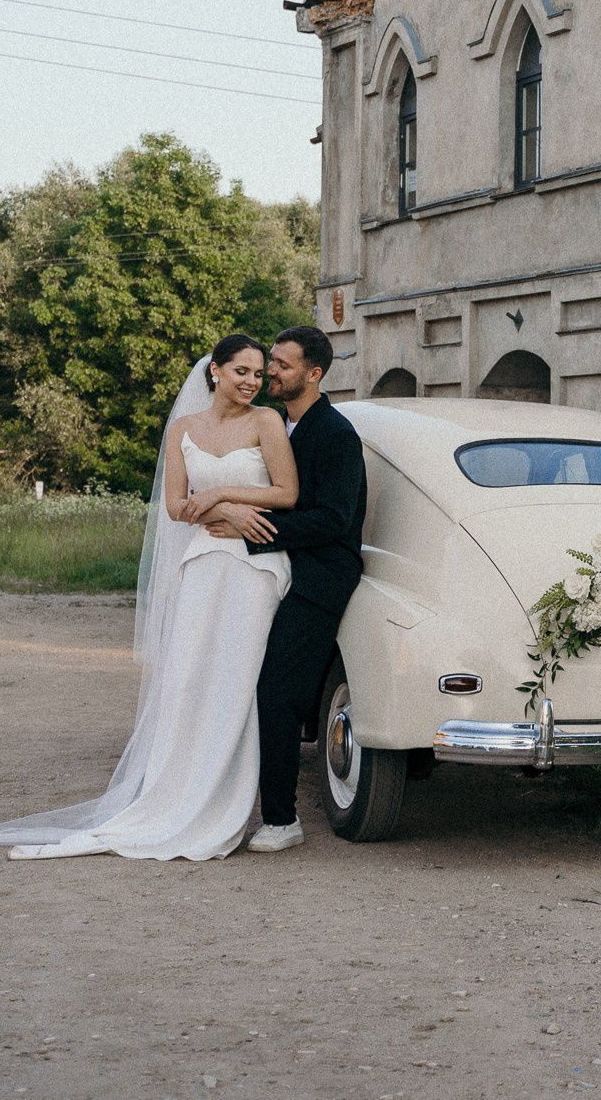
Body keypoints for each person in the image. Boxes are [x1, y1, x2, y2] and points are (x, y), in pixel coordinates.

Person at [0, 333, 298, 860]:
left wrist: (221, 493)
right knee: (190, 678)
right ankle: (175, 800)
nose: (251, 381)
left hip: (252, 568)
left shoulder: (266, 422)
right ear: (215, 372)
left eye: (257, 372)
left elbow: (286, 494)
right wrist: (222, 508)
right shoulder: (183, 429)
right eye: (240, 371)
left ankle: (230, 807)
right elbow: (176, 506)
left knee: (236, 682)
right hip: (202, 564)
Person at [198, 325, 365, 852]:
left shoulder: (335, 434)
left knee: (277, 692)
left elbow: (335, 521)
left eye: (283, 365)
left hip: (320, 578)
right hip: (276, 571)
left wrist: (255, 530)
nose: (271, 371)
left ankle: (281, 818)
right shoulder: (278, 425)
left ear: (314, 374)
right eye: (271, 362)